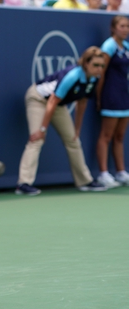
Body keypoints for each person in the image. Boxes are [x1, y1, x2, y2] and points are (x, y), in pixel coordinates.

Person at [16, 46, 108, 195]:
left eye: (102, 66)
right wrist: (42, 130)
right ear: (86, 64)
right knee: (36, 139)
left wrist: (77, 129)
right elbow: (52, 101)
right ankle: (23, 184)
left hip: (58, 105)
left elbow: (82, 102)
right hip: (38, 99)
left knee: (73, 140)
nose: (99, 69)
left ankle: (84, 181)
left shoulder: (94, 79)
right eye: (96, 65)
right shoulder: (72, 76)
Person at [96, 15, 129, 187]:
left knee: (120, 136)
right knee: (106, 135)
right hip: (111, 95)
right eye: (122, 26)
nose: (125, 29)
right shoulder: (108, 46)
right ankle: (103, 173)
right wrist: (99, 96)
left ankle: (121, 171)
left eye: (127, 26)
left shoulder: (127, 47)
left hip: (124, 96)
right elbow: (101, 72)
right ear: (114, 28)